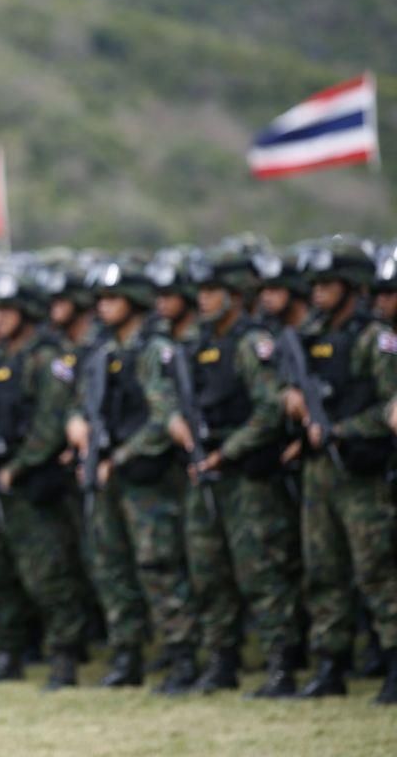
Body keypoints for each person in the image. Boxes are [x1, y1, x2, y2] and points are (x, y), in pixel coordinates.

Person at [66, 259, 199, 693]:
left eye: (113, 298)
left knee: (157, 567)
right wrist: (76, 423)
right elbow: (83, 403)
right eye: (100, 299)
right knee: (111, 567)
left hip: (145, 478)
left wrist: (118, 457)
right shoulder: (105, 353)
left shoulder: (153, 350)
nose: (103, 307)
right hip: (106, 475)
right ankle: (127, 655)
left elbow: (164, 420)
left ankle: (181, 657)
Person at [0, 270, 88, 690]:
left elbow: (49, 426)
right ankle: (7, 652)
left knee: (48, 576)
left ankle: (64, 656)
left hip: (32, 484)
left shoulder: (45, 358)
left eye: (7, 310)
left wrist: (17, 468)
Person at [179, 251, 302, 696]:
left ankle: (280, 665)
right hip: (209, 470)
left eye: (213, 291)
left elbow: (270, 410)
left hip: (247, 475)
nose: (204, 299)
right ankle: (221, 660)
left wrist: (226, 453)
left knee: (261, 572)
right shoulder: (199, 344)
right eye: (202, 291)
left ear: (235, 296)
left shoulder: (252, 343)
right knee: (209, 572)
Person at [283, 239, 397, 704]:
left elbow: (391, 409)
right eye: (315, 284)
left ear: (352, 286)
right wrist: (289, 403)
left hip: (361, 472)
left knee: (376, 570)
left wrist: (342, 431)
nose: (318, 292)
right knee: (322, 569)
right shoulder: (309, 336)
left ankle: (393, 661)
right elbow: (288, 389)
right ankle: (329, 664)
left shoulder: (376, 339)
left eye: (328, 283)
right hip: (320, 472)